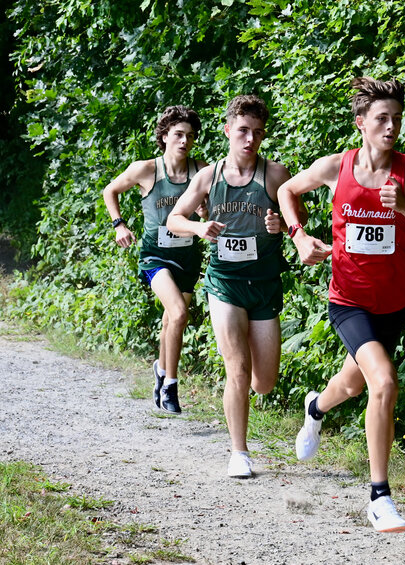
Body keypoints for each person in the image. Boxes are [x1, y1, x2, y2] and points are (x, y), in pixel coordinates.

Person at [276, 78, 405, 532]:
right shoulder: (337, 167)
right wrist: (298, 237)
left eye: (396, 118)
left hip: (392, 305)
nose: (391, 127)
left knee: (353, 385)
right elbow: (286, 192)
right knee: (384, 382)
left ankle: (315, 409)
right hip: (348, 301)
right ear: (361, 124)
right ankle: (379, 497)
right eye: (381, 119)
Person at [167, 95, 302, 478]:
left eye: (257, 133)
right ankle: (239, 453)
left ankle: (244, 419)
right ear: (228, 130)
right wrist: (198, 227)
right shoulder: (208, 177)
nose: (250, 139)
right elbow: (176, 217)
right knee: (237, 368)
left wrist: (283, 227)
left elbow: (298, 213)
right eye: (242, 130)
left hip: (264, 284)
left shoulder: (275, 174)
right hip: (224, 283)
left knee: (264, 382)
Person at [102, 105, 207, 414]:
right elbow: (111, 190)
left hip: (188, 256)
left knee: (170, 320)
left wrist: (205, 213)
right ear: (164, 136)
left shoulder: (201, 171)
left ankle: (160, 371)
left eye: (189, 136)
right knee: (178, 314)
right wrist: (118, 224)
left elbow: (211, 212)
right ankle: (171, 386)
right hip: (155, 256)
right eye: (178, 135)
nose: (184, 141)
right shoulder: (146, 169)